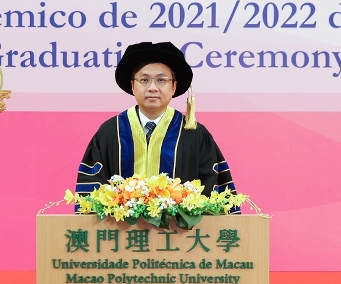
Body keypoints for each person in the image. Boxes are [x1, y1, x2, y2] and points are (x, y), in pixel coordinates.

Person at [75, 42, 236, 196]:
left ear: (173, 86)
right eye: (144, 80)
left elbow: (214, 193)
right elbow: (91, 193)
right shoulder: (110, 132)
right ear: (132, 86)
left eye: (161, 80)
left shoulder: (194, 134)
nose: (152, 88)